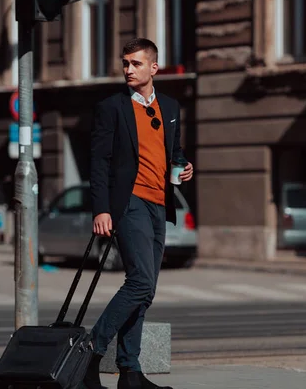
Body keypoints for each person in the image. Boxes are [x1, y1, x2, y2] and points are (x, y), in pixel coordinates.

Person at [83, 38, 193, 389]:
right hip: (128, 202)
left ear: (153, 68)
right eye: (125, 63)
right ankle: (91, 350)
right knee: (141, 281)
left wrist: (184, 166)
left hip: (159, 203)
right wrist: (101, 208)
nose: (128, 69)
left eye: (135, 63)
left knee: (147, 290)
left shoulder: (171, 106)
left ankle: (129, 372)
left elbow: (173, 151)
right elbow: (99, 162)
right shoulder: (112, 107)